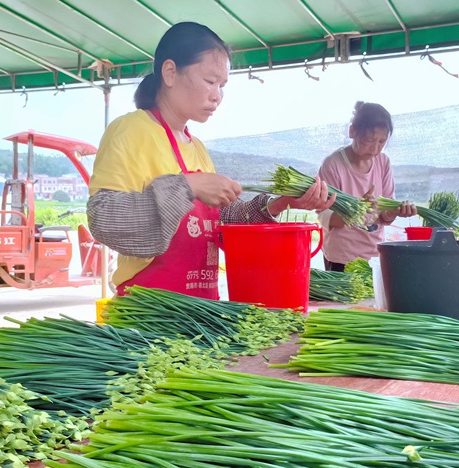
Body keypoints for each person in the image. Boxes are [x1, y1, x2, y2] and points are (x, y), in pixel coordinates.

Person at [88, 22, 335, 298]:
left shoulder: (198, 148)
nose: (217, 95)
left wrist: (280, 203)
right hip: (149, 311)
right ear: (170, 72)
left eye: (222, 85)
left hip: (203, 310)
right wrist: (188, 187)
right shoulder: (130, 131)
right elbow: (104, 219)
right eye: (210, 81)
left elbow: (221, 224)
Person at [317, 101, 416, 272]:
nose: (375, 148)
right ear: (352, 131)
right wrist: (355, 209)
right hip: (342, 258)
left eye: (382, 142)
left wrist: (395, 211)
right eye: (369, 140)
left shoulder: (383, 162)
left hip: (375, 255)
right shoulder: (333, 164)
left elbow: (384, 216)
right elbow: (325, 217)